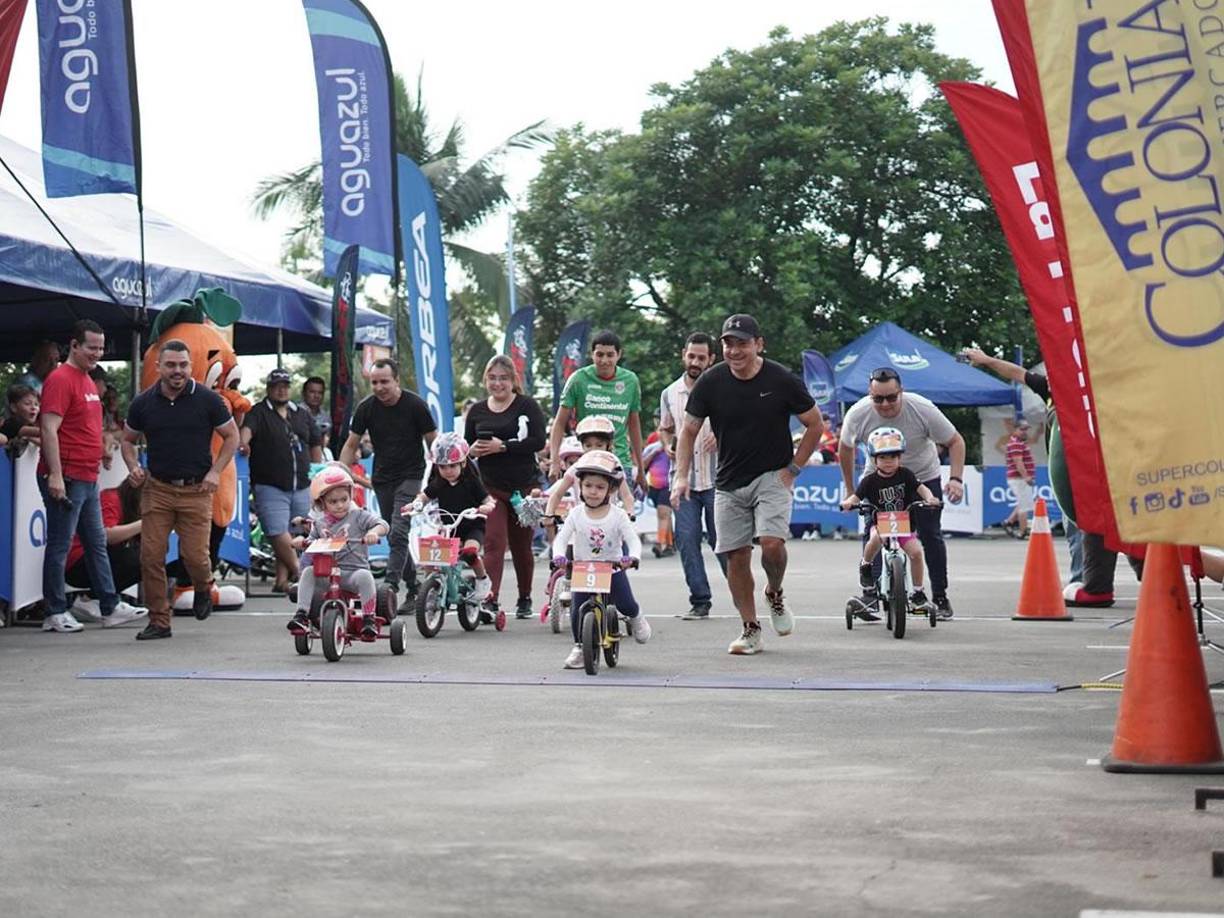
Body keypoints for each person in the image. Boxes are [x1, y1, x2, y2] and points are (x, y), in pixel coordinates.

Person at [672, 314, 822, 655]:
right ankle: (750, 628)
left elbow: (815, 424)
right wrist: (681, 476)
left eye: (742, 343)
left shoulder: (781, 379)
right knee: (735, 556)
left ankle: (774, 592)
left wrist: (794, 469)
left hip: (772, 475)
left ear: (759, 344)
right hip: (728, 482)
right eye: (728, 343)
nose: (734, 350)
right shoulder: (711, 382)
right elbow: (689, 431)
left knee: (771, 544)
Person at [122, 338, 240, 640]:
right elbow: (127, 441)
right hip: (157, 488)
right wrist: (133, 467)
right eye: (171, 365)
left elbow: (232, 437)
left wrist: (216, 472)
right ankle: (159, 620)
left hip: (197, 489)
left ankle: (203, 585)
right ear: (159, 366)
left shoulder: (208, 400)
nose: (177, 371)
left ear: (191, 367)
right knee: (150, 556)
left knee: (195, 557)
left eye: (183, 365)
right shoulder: (143, 402)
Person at [38, 321, 145, 633]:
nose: (97, 353)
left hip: (86, 475)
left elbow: (84, 425)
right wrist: (55, 475)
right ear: (74, 345)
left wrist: (101, 447)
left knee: (96, 543)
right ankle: (54, 610)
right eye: (91, 347)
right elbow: (48, 429)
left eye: (100, 348)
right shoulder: (60, 379)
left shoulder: (86, 380)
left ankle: (109, 606)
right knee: (59, 545)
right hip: (67, 476)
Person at [838, 367, 965, 621]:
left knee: (929, 534)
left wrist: (955, 479)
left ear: (901, 392)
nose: (885, 404)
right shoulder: (858, 414)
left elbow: (956, 441)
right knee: (872, 531)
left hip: (919, 477)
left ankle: (938, 596)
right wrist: (852, 492)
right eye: (878, 399)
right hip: (877, 478)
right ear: (869, 395)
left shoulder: (922, 409)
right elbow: (845, 448)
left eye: (891, 397)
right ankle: (869, 594)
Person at [338, 358, 437, 609]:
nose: (380, 387)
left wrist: (439, 479)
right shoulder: (366, 408)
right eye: (374, 382)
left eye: (385, 381)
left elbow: (433, 443)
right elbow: (351, 444)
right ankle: (414, 588)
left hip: (411, 475)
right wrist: (338, 474)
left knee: (400, 529)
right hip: (383, 478)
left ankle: (390, 586)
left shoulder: (416, 405)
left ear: (397, 381)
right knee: (393, 533)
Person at [463, 355, 548, 619]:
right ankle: (491, 598)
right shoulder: (476, 411)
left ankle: (525, 597)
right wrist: (473, 451)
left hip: (524, 487)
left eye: (503, 378)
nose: (497, 383)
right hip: (490, 487)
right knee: (493, 540)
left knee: (522, 545)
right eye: (492, 378)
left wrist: (504, 446)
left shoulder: (527, 406)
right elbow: (466, 449)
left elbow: (538, 442)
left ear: (513, 381)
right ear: (485, 380)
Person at [551, 450, 651, 669]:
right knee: (578, 609)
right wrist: (558, 555)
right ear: (580, 487)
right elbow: (561, 539)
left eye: (599, 487)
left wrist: (631, 557)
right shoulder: (576, 514)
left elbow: (633, 540)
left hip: (612, 568)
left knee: (625, 603)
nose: (593, 492)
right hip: (584, 570)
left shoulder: (618, 515)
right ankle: (579, 647)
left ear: (611, 490)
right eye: (588, 486)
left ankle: (636, 617)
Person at [659, 331, 727, 620]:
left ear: (711, 359)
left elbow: (741, 427)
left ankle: (741, 592)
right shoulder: (669, 393)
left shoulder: (725, 388)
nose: (695, 361)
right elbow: (665, 427)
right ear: (683, 355)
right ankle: (700, 600)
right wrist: (666, 444)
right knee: (686, 540)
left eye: (701, 357)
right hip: (683, 479)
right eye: (691, 356)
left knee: (723, 541)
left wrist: (723, 438)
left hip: (718, 479)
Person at [241, 368, 324, 592]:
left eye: (285, 386)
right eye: (277, 386)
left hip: (302, 484)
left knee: (299, 531)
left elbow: (315, 442)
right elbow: (245, 436)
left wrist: (317, 474)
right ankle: (302, 573)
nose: (281, 389)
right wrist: (243, 444)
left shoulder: (301, 413)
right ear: (269, 389)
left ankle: (281, 580)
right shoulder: (258, 412)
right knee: (277, 531)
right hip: (269, 484)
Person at [841, 428, 940, 611]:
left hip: (904, 526)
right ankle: (866, 565)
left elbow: (921, 488)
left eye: (893, 457)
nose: (888, 462)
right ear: (874, 459)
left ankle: (918, 592)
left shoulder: (906, 474)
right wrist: (849, 503)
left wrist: (930, 498)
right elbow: (856, 496)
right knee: (876, 539)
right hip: (880, 524)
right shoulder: (869, 481)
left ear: (900, 458)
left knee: (917, 553)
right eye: (883, 458)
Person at [288, 465, 388, 639]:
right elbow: (311, 541)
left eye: (344, 499)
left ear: (351, 496)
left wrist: (373, 532)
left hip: (352, 573)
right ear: (322, 503)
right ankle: (301, 615)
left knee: (365, 576)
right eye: (333, 502)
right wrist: (301, 542)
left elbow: (383, 525)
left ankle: (368, 619)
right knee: (309, 572)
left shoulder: (358, 516)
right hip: (327, 573)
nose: (340, 505)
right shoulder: (319, 523)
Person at [407, 433, 498, 610]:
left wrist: (487, 506)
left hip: (472, 525)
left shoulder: (471, 482)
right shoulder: (439, 483)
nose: (448, 471)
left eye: (452, 466)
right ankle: (431, 589)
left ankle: (482, 580)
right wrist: (415, 504)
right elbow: (425, 496)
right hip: (449, 527)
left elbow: (487, 499)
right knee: (432, 554)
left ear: (463, 463)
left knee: (470, 552)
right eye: (442, 467)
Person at [548, 329, 645, 487]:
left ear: (618, 355)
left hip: (619, 462)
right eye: (599, 355)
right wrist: (554, 461)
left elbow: (634, 425)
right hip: (588, 462)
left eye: (610, 355)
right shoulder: (578, 379)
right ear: (592, 355)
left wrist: (640, 468)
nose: (604, 360)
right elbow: (559, 423)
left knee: (623, 510)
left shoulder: (631, 381)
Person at [65, 480, 144, 622]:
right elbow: (107, 535)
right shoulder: (112, 497)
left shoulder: (134, 507)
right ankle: (92, 600)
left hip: (98, 560)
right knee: (140, 557)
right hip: (78, 561)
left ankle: (95, 600)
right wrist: (143, 523)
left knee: (151, 556)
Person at [544, 415, 637, 516]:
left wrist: (630, 512)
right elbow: (557, 494)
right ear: (582, 446)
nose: (594, 449)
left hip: (610, 524)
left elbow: (626, 495)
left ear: (608, 445)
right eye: (588, 445)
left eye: (599, 445)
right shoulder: (576, 467)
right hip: (581, 523)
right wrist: (549, 514)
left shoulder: (614, 465)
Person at [642, 419, 674, 557]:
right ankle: (670, 543)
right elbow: (643, 465)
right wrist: (656, 452)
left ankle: (660, 543)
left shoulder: (675, 446)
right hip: (653, 485)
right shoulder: (652, 447)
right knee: (664, 516)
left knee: (663, 513)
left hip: (669, 485)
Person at [1004, 419, 1036, 539]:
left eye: (1026, 429)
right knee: (1024, 505)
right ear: (1015, 430)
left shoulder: (1017, 442)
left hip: (1018, 478)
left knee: (1023, 502)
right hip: (1019, 479)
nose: (1024, 432)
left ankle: (1009, 522)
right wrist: (1026, 476)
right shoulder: (1016, 443)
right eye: (1022, 429)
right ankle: (1023, 532)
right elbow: (1018, 462)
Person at [1, 383, 41, 449]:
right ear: (14, 408)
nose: (33, 407)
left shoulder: (31, 425)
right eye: (27, 404)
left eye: (36, 404)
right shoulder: (11, 423)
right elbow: (43, 432)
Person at [301, 376, 331, 451]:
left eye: (320, 393)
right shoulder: (295, 413)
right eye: (312, 392)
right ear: (304, 393)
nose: (316, 396)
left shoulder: (326, 417)